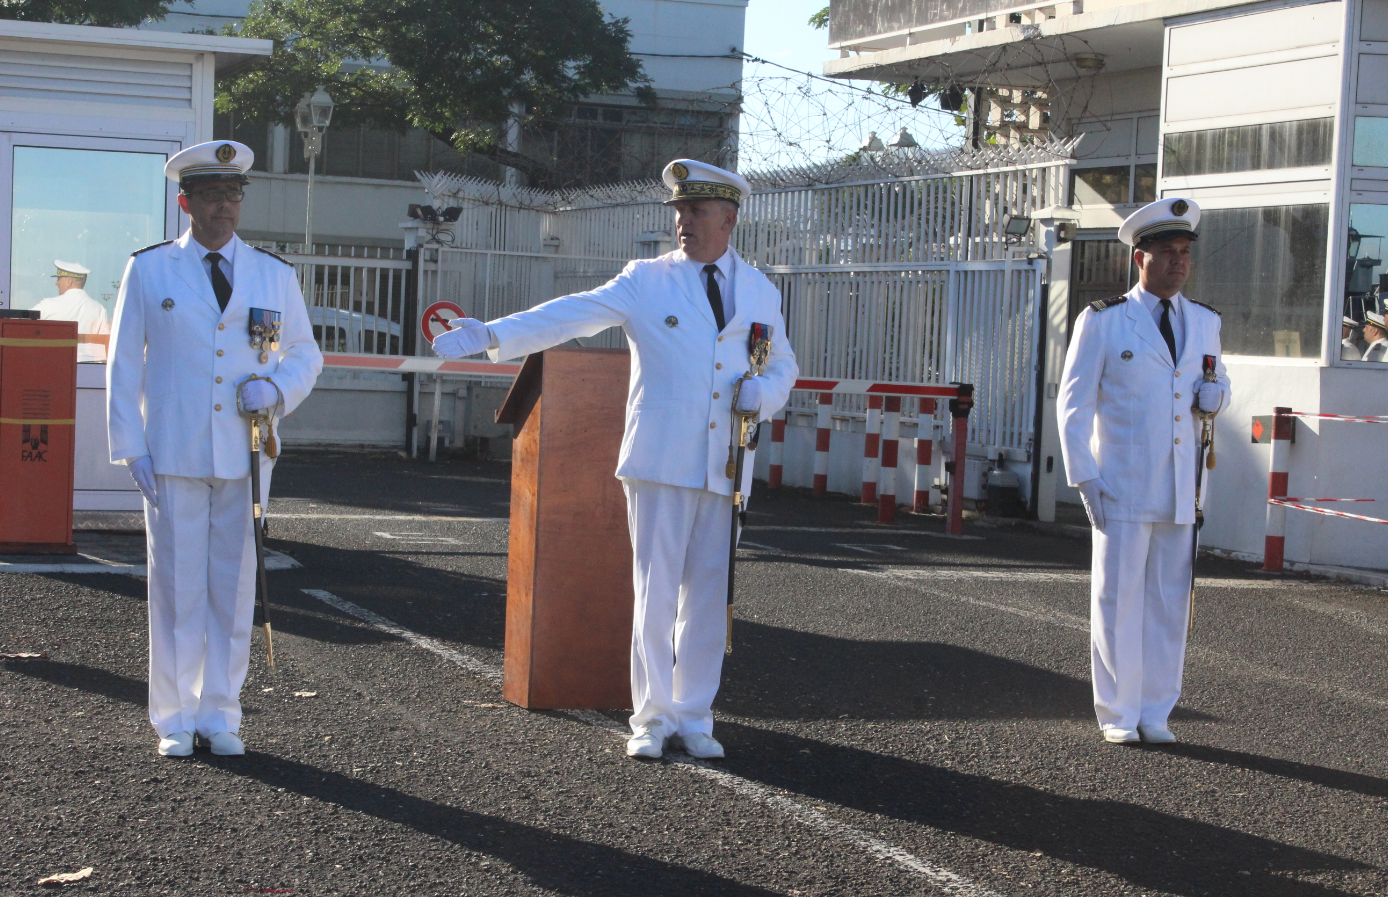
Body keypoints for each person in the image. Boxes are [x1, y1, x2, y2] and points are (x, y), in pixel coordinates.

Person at [432, 159, 799, 760]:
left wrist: (769, 393)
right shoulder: (647, 279)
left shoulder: (760, 289)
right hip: (660, 459)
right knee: (655, 594)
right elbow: (571, 312)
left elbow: (781, 360)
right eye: (679, 211)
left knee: (710, 597)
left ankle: (695, 716)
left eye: (697, 210)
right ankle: (651, 718)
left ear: (729, 219)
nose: (683, 221)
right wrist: (492, 335)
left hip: (727, 462)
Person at [107, 140, 323, 758]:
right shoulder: (150, 269)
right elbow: (122, 364)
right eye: (209, 195)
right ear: (186, 203)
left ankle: (220, 713)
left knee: (232, 588)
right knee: (176, 588)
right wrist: (130, 446)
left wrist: (276, 389)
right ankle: (174, 717)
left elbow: (305, 353)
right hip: (172, 449)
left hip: (245, 451)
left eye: (231, 195)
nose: (223, 206)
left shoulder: (273, 273)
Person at [1057, 197, 1231, 745]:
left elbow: (1214, 381)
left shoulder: (1204, 321)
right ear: (1140, 258)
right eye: (1167, 252)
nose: (1179, 262)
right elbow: (1073, 406)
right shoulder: (1105, 320)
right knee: (1117, 601)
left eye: (1185, 252)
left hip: (1182, 485)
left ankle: (1156, 712)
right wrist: (1085, 477)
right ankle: (1117, 712)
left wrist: (1218, 395)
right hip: (1122, 484)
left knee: (1169, 605)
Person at [33, 260, 110, 362]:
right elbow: (104, 343)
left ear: (69, 282)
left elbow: (21, 326)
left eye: (59, 278)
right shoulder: (99, 309)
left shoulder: (47, 305)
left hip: (53, 362)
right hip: (88, 365)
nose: (56, 282)